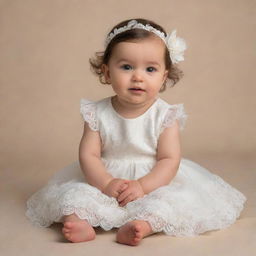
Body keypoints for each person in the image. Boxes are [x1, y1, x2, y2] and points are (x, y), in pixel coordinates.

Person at [26, 18, 246, 246]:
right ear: (107, 72)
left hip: (153, 179)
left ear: (163, 76)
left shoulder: (165, 115)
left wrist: (143, 186)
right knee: (74, 196)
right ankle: (81, 223)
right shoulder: (96, 112)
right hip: (106, 177)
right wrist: (106, 183)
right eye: (126, 67)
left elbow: (169, 159)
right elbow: (88, 155)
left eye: (150, 69)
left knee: (170, 202)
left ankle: (141, 226)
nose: (138, 77)